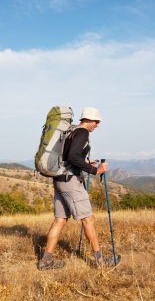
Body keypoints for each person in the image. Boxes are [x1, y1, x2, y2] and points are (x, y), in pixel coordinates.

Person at [38, 107, 120, 270]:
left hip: (60, 179)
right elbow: (74, 156)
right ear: (88, 120)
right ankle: (100, 261)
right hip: (71, 183)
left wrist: (85, 162)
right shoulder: (82, 133)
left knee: (59, 220)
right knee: (88, 219)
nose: (97, 125)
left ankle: (46, 261)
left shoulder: (71, 132)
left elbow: (69, 156)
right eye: (96, 122)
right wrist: (96, 170)